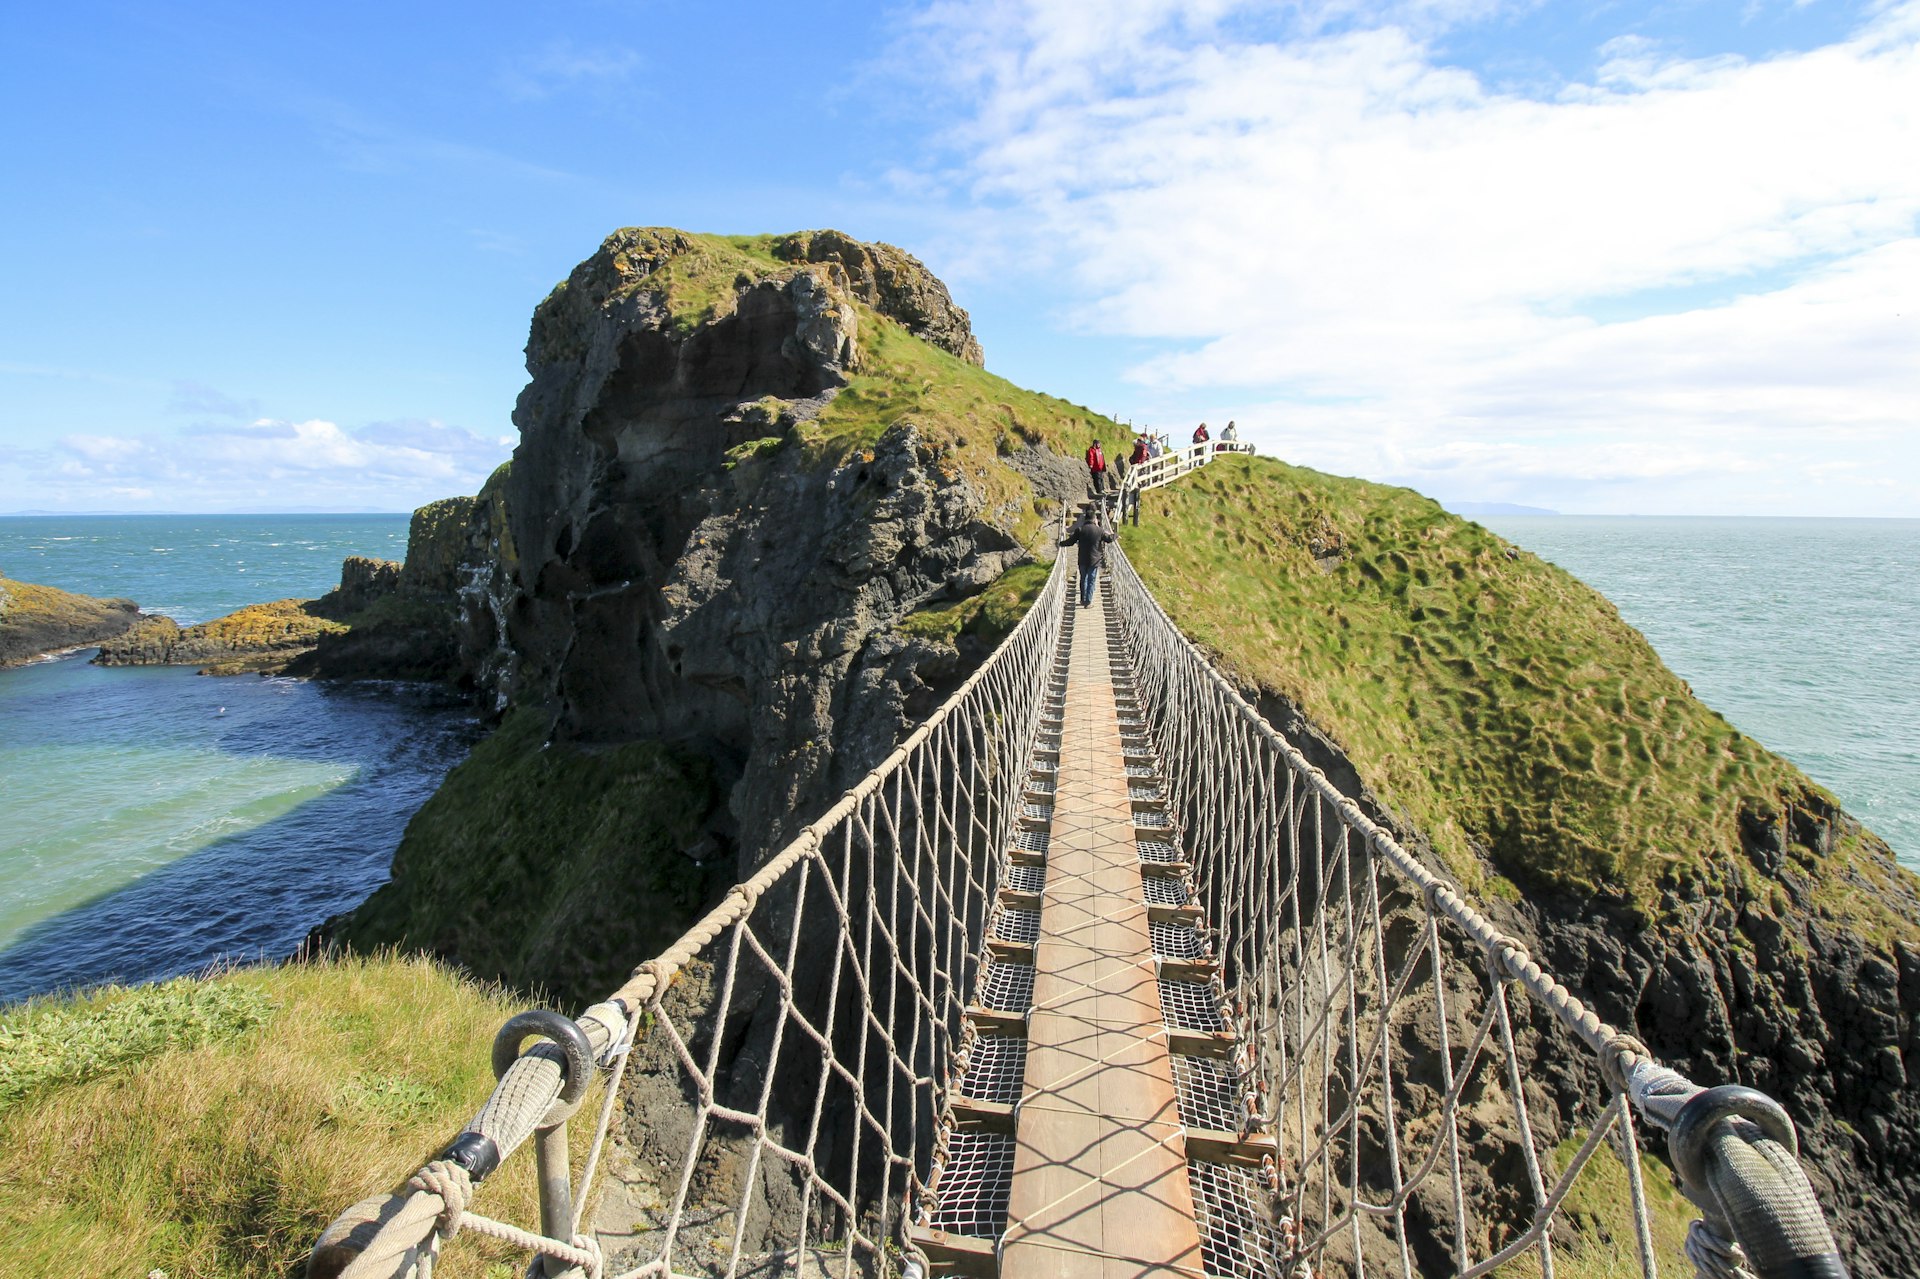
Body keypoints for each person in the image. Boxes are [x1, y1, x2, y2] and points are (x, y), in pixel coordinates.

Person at [1059, 508, 1116, 608]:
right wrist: (1115, 535)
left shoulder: (1080, 530)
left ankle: (1082, 599)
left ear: (1085, 519)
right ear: (1095, 519)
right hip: (1094, 560)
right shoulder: (1099, 530)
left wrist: (1061, 543)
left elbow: (1071, 542)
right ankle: (1088, 602)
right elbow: (1108, 539)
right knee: (1091, 580)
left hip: (1082, 559)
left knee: (1083, 579)